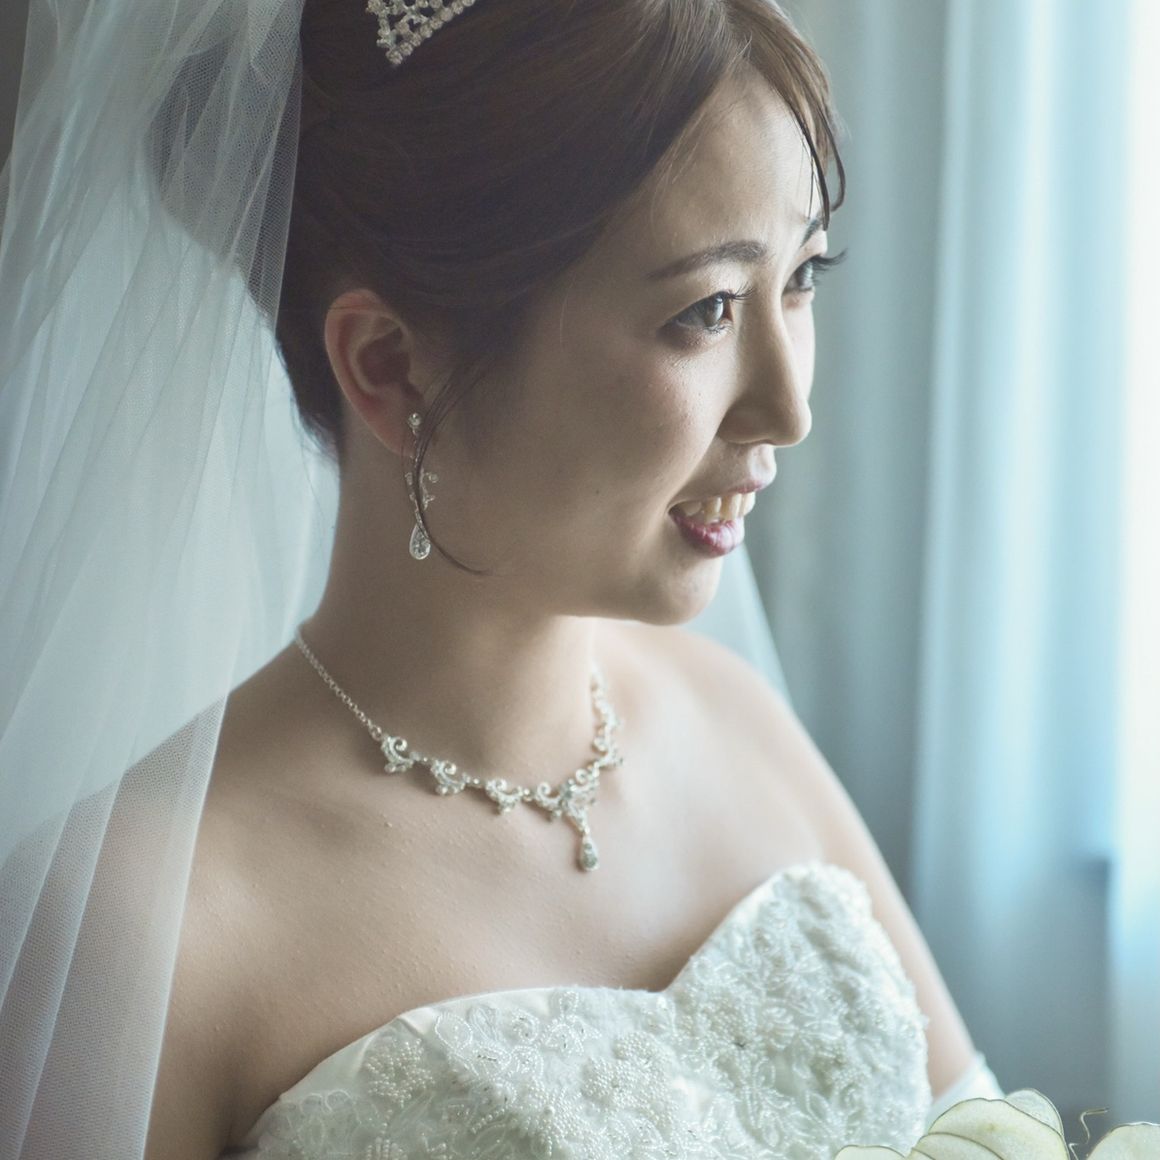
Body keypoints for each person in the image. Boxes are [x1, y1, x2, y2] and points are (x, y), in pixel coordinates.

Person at [0, 1, 1000, 1158]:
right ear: (388, 365)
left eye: (802, 276)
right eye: (705, 310)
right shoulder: (136, 925)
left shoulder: (734, 720)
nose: (788, 407)